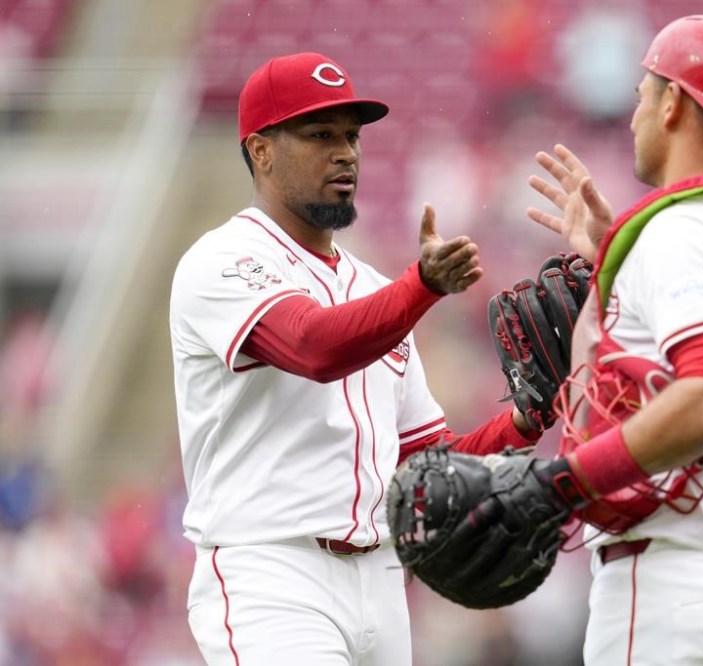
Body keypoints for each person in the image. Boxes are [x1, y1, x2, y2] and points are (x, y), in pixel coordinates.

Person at [168, 52, 542, 665]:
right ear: (260, 150)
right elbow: (313, 346)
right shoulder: (221, 260)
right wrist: (420, 289)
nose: (345, 153)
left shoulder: (373, 287)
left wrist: (524, 421)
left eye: (351, 135)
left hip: (380, 579)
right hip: (272, 573)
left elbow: (424, 462)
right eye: (319, 135)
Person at [524, 15, 703, 665]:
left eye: (642, 94)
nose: (634, 113)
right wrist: (618, 260)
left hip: (678, 596)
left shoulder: (684, 232)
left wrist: (559, 486)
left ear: (675, 104)